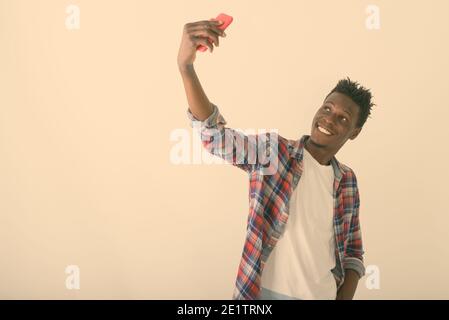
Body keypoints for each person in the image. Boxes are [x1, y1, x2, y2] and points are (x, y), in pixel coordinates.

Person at [177, 18, 375, 300]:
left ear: (354, 132)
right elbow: (214, 137)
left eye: (343, 118)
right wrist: (186, 68)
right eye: (327, 107)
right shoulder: (274, 153)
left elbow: (353, 253)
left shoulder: (347, 181)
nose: (328, 119)